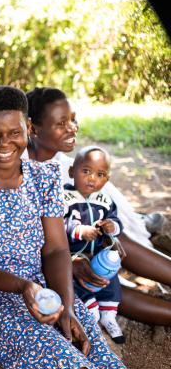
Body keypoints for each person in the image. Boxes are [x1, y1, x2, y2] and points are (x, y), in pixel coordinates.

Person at [0, 86, 145, 369]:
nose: (5, 143)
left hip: (50, 291)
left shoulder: (44, 176)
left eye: (14, 132)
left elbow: (56, 249)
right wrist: (23, 287)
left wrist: (66, 306)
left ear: (28, 128)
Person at [26, 86, 171, 326]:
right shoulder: (18, 170)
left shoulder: (67, 166)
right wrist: (70, 259)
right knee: (100, 289)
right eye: (61, 123)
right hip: (43, 261)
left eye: (73, 120)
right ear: (33, 128)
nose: (73, 128)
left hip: (78, 242)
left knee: (113, 240)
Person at [63, 146, 125, 343]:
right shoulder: (64, 197)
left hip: (97, 255)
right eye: (86, 171)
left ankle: (108, 316)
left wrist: (111, 227)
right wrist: (80, 230)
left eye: (100, 175)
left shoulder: (105, 201)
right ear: (72, 171)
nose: (92, 179)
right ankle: (91, 315)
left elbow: (116, 221)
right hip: (73, 256)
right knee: (77, 285)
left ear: (106, 179)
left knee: (111, 282)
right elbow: (59, 223)